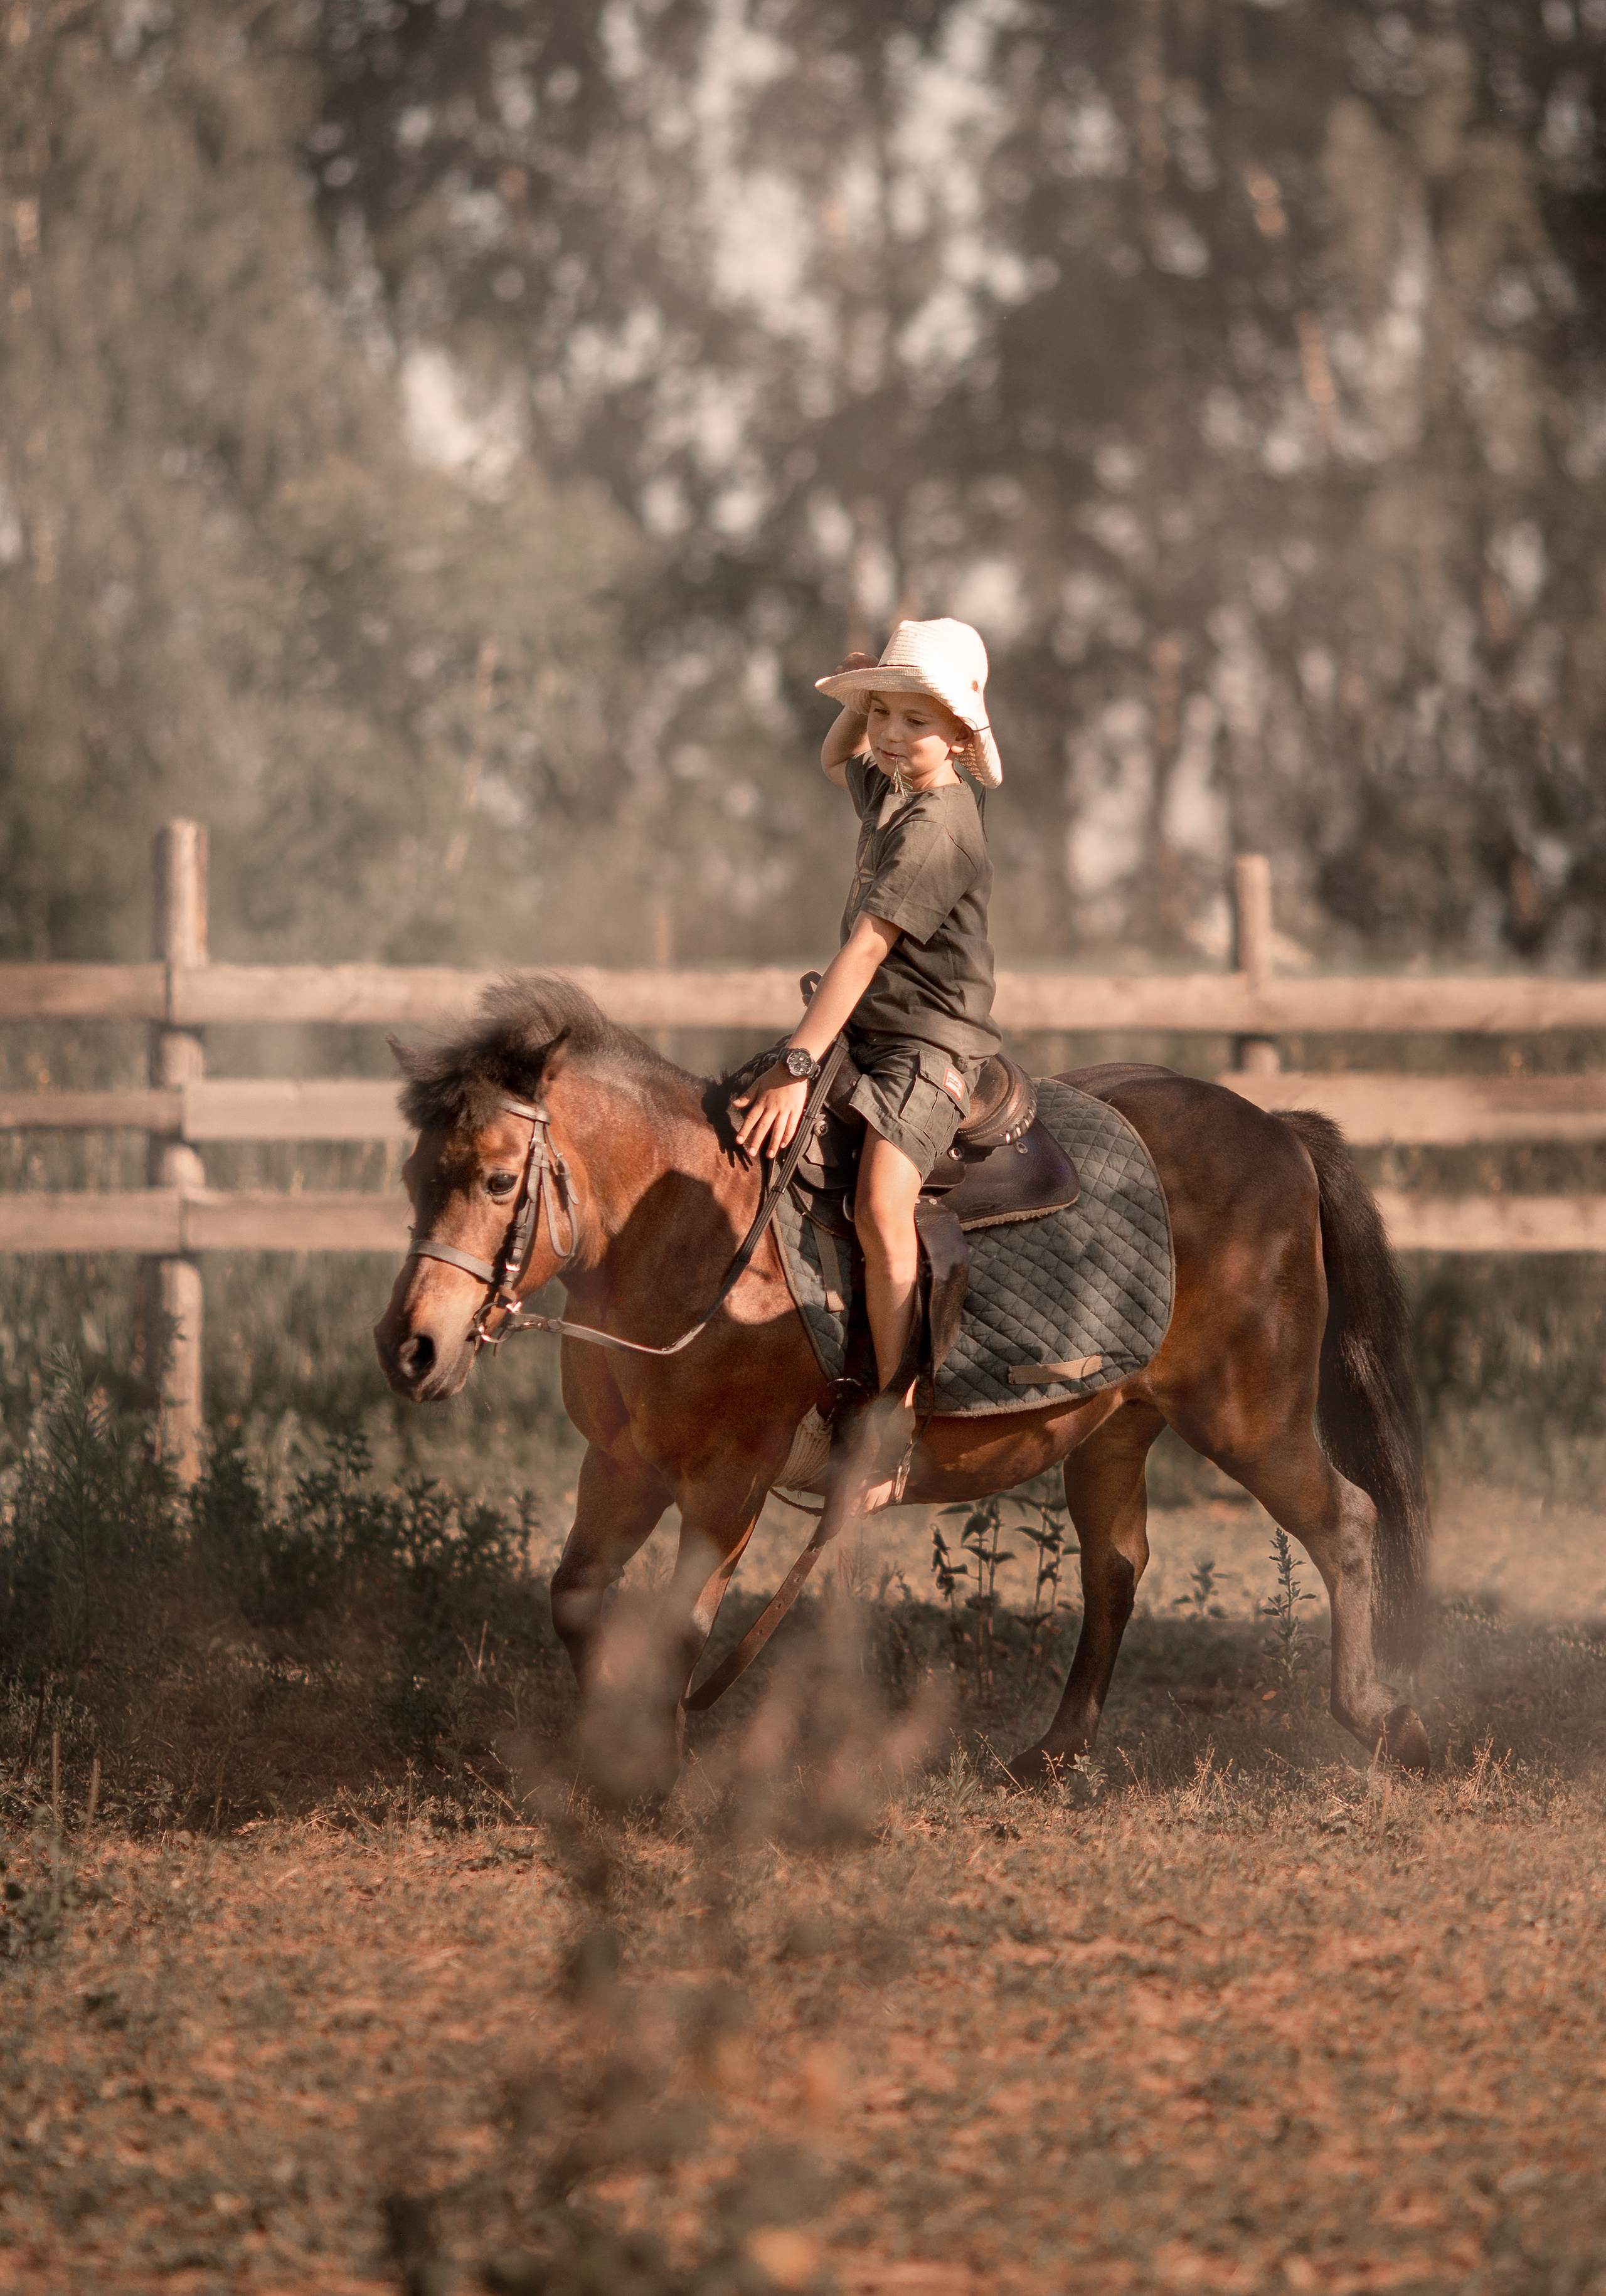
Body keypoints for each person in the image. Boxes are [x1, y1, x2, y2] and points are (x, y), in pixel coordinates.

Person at [733, 616, 1003, 1516]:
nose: (888, 734)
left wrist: (800, 1057)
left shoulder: (940, 824)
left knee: (881, 1197)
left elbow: (863, 950)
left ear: (959, 734)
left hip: (931, 1042)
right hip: (873, 1035)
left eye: (912, 720)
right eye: (881, 715)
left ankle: (897, 1410)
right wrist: (862, 691)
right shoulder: (893, 786)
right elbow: (832, 756)